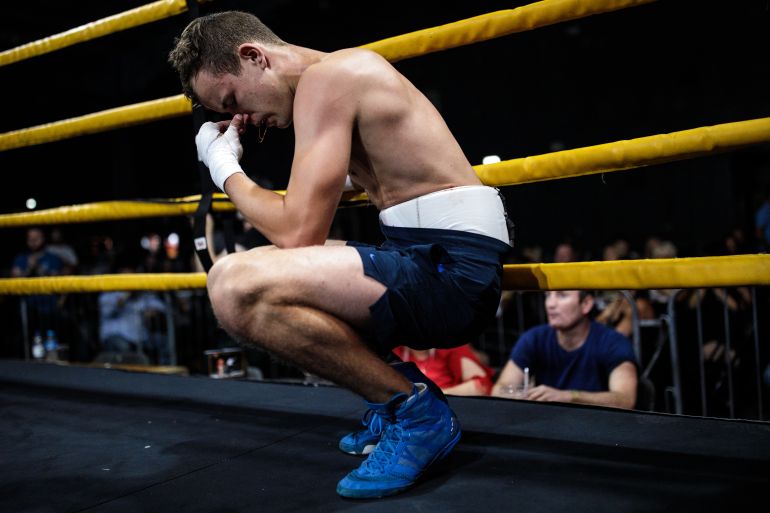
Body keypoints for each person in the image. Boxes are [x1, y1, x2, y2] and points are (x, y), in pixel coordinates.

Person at [168, 11, 512, 498]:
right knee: (261, 272)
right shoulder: (335, 81)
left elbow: (298, 231)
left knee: (236, 283)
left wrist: (223, 168)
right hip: (431, 258)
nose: (241, 118)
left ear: (254, 56)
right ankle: (397, 402)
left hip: (450, 270)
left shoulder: (328, 80)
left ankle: (416, 415)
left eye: (232, 100)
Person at [492, 290, 638, 410]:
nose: (550, 304)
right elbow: (498, 390)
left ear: (586, 304)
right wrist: (525, 396)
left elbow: (625, 400)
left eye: (562, 295)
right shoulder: (534, 338)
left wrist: (568, 396)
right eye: (548, 296)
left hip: (596, 430)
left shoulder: (613, 342)